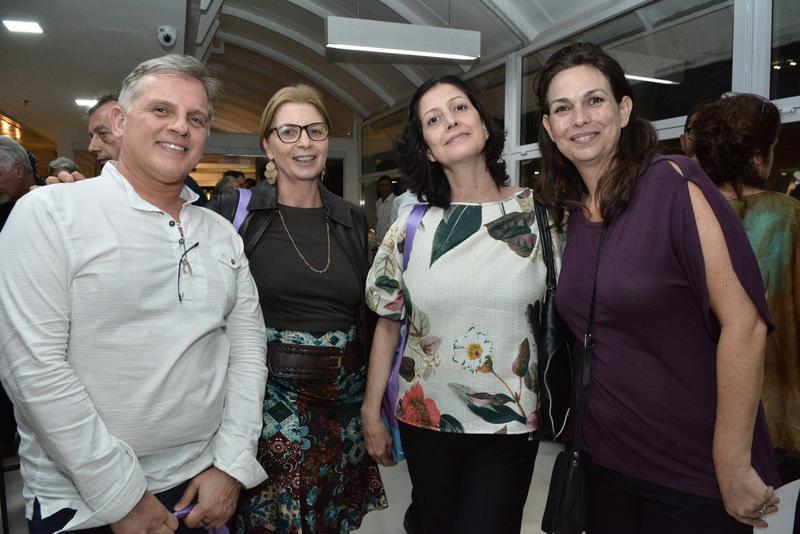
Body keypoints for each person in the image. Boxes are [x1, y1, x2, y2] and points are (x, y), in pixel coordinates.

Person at [0, 54, 268, 533]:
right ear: (120, 122)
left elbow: (247, 352)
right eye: (161, 110)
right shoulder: (50, 214)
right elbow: (32, 369)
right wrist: (122, 497)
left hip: (200, 485)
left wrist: (232, 464)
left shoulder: (221, 233)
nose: (180, 127)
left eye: (196, 119)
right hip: (85, 502)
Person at [534, 42, 780, 533]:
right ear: (549, 127)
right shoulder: (572, 214)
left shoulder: (673, 186)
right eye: (563, 108)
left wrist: (732, 461)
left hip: (690, 471)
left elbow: (745, 324)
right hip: (603, 462)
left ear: (624, 110)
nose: (580, 119)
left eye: (595, 100)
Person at [362, 74, 558, 534]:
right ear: (428, 150)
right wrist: (371, 413)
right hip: (426, 416)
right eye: (433, 120)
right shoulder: (410, 228)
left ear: (484, 126)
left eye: (459, 108)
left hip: (511, 422)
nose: (449, 121)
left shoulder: (541, 216)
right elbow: (388, 324)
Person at [230, 84, 387, 533]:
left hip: (344, 403)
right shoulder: (239, 215)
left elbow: (368, 314)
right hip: (269, 403)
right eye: (289, 131)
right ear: (268, 144)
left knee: (332, 521)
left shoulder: (350, 218)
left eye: (315, 131)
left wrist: (371, 409)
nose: (304, 142)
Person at [691, 93, 800, 485]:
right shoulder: (788, 216)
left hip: (696, 403)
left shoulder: (688, 212)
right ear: (757, 156)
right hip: (773, 406)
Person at [48, 92, 208, 206]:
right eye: (92, 136)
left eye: (102, 134)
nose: (92, 147)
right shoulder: (92, 193)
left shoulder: (183, 190)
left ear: (123, 126)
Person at [374, 175, 395, 244]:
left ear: (391, 187)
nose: (384, 188)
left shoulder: (396, 201)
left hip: (390, 243)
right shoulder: (378, 203)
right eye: (381, 185)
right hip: (379, 242)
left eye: (387, 185)